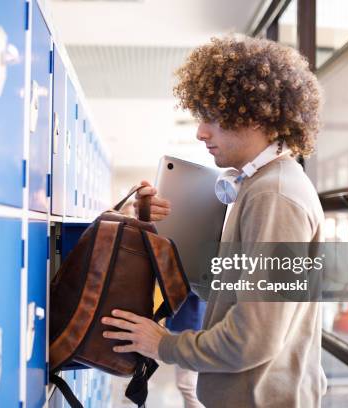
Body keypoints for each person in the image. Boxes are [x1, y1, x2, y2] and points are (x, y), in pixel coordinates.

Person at [101, 36, 327, 407]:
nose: (200, 132)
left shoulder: (274, 196)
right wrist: (150, 224)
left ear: (254, 114)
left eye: (212, 118)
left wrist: (164, 344)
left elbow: (252, 338)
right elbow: (224, 290)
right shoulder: (255, 187)